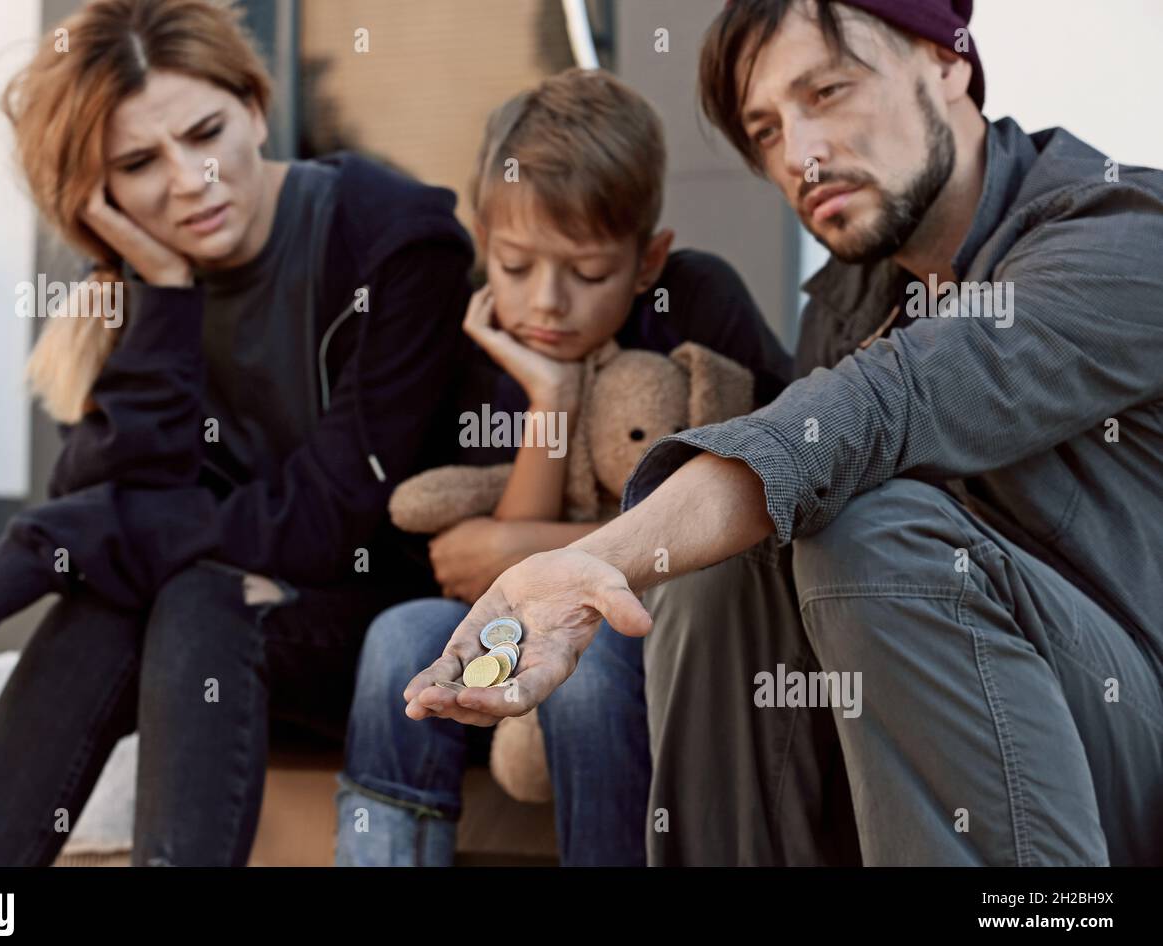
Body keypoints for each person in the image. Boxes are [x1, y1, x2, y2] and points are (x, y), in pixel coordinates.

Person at [406, 0, 1163, 866]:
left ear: (948, 63)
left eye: (829, 91)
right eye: (765, 129)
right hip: (937, 761)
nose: (800, 155)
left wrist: (600, 556)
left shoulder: (1122, 233)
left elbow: (889, 402)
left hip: (1131, 736)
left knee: (868, 531)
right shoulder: (849, 304)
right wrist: (595, 565)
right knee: (729, 562)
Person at [0, 0, 472, 866]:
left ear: (255, 107)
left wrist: (30, 551)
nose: (189, 180)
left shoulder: (392, 240)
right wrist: (166, 299)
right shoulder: (144, 288)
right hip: (216, 632)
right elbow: (113, 503)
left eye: (205, 132)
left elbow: (330, 522)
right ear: (100, 198)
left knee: (198, 591)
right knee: (130, 600)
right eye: (139, 163)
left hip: (397, 637)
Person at [335, 68, 792, 866]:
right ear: (485, 243)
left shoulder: (699, 303)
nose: (546, 303)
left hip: (665, 628)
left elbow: (769, 481)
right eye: (515, 268)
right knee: (400, 635)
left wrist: (534, 545)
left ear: (648, 261)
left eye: (587, 274)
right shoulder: (475, 345)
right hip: (512, 633)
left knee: (593, 653)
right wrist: (548, 397)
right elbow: (471, 573)